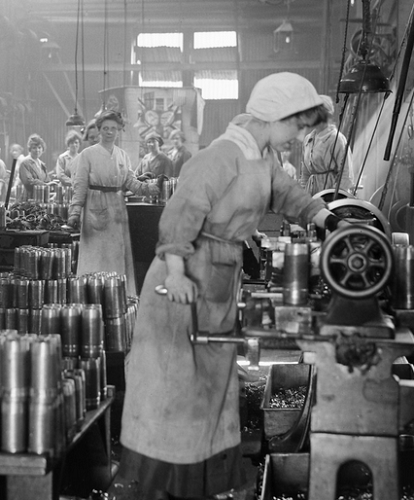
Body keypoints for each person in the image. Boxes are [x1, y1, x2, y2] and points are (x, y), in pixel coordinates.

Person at [116, 72, 348, 500]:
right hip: (184, 278)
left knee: (209, 388)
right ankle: (158, 488)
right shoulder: (219, 157)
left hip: (220, 277)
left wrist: (331, 219)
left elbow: (291, 196)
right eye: (297, 126)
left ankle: (195, 487)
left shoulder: (262, 158)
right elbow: (179, 216)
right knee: (176, 386)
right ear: (274, 115)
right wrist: (175, 273)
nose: (299, 137)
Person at [66, 110, 161, 297]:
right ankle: (91, 301)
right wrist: (75, 213)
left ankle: (116, 300)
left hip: (117, 212)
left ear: (119, 131)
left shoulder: (122, 156)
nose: (110, 132)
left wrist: (153, 188)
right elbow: (80, 186)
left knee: (116, 260)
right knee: (95, 259)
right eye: (105, 128)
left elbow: (132, 183)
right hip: (94, 211)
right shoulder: (88, 155)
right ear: (99, 130)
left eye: (114, 128)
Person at [300, 94, 354, 196]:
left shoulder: (337, 139)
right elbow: (305, 174)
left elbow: (346, 175)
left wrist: (333, 199)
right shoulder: (308, 140)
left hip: (332, 197)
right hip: (312, 196)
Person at [19, 133, 50, 201]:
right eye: (34, 148)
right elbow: (28, 182)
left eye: (39, 147)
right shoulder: (25, 163)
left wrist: (51, 184)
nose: (37, 150)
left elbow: (47, 180)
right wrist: (45, 184)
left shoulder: (42, 165)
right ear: (30, 149)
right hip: (28, 199)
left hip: (41, 199)